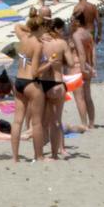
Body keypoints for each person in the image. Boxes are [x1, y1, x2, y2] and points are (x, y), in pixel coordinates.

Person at [10, 9, 46, 163]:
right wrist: (50, 63)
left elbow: (17, 25)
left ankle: (15, 157)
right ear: (41, 28)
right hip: (31, 82)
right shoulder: (38, 45)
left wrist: (29, 28)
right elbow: (36, 71)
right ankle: (39, 156)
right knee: (37, 122)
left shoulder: (23, 37)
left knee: (17, 121)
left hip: (18, 81)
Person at [36, 17, 75, 160]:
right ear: (57, 29)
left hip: (41, 83)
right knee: (56, 121)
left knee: (41, 122)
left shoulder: (41, 42)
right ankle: (54, 154)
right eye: (62, 29)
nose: (63, 32)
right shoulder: (62, 43)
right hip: (57, 83)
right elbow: (71, 64)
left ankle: (39, 153)